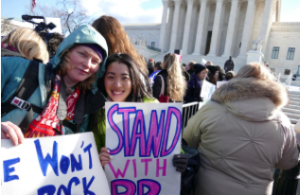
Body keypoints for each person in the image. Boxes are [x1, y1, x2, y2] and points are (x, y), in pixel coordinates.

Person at [183, 63, 299, 195]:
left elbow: (188, 143)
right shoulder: (282, 120)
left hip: (208, 189)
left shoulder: (210, 109)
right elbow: (289, 162)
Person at [1, 25, 108, 145]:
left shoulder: (86, 104)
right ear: (66, 51)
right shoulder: (16, 67)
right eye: (82, 54)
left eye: (95, 61)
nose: (88, 64)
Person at [90, 53, 188, 172]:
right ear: (103, 79)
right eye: (111, 77)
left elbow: (170, 145)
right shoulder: (98, 111)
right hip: (115, 184)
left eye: (124, 77)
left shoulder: (152, 107)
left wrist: (179, 159)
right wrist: (100, 158)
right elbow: (96, 149)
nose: (117, 84)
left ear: (134, 79)